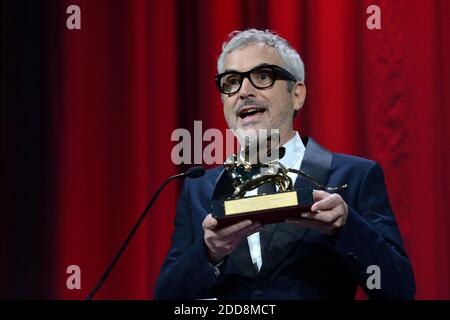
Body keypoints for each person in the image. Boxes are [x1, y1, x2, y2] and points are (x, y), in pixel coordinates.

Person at [154, 29, 415, 300]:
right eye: (231, 82)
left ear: (297, 94)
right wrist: (209, 253)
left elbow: (398, 292)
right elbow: (167, 296)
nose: (243, 91)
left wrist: (347, 227)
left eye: (263, 76)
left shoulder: (355, 176)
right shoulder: (198, 188)